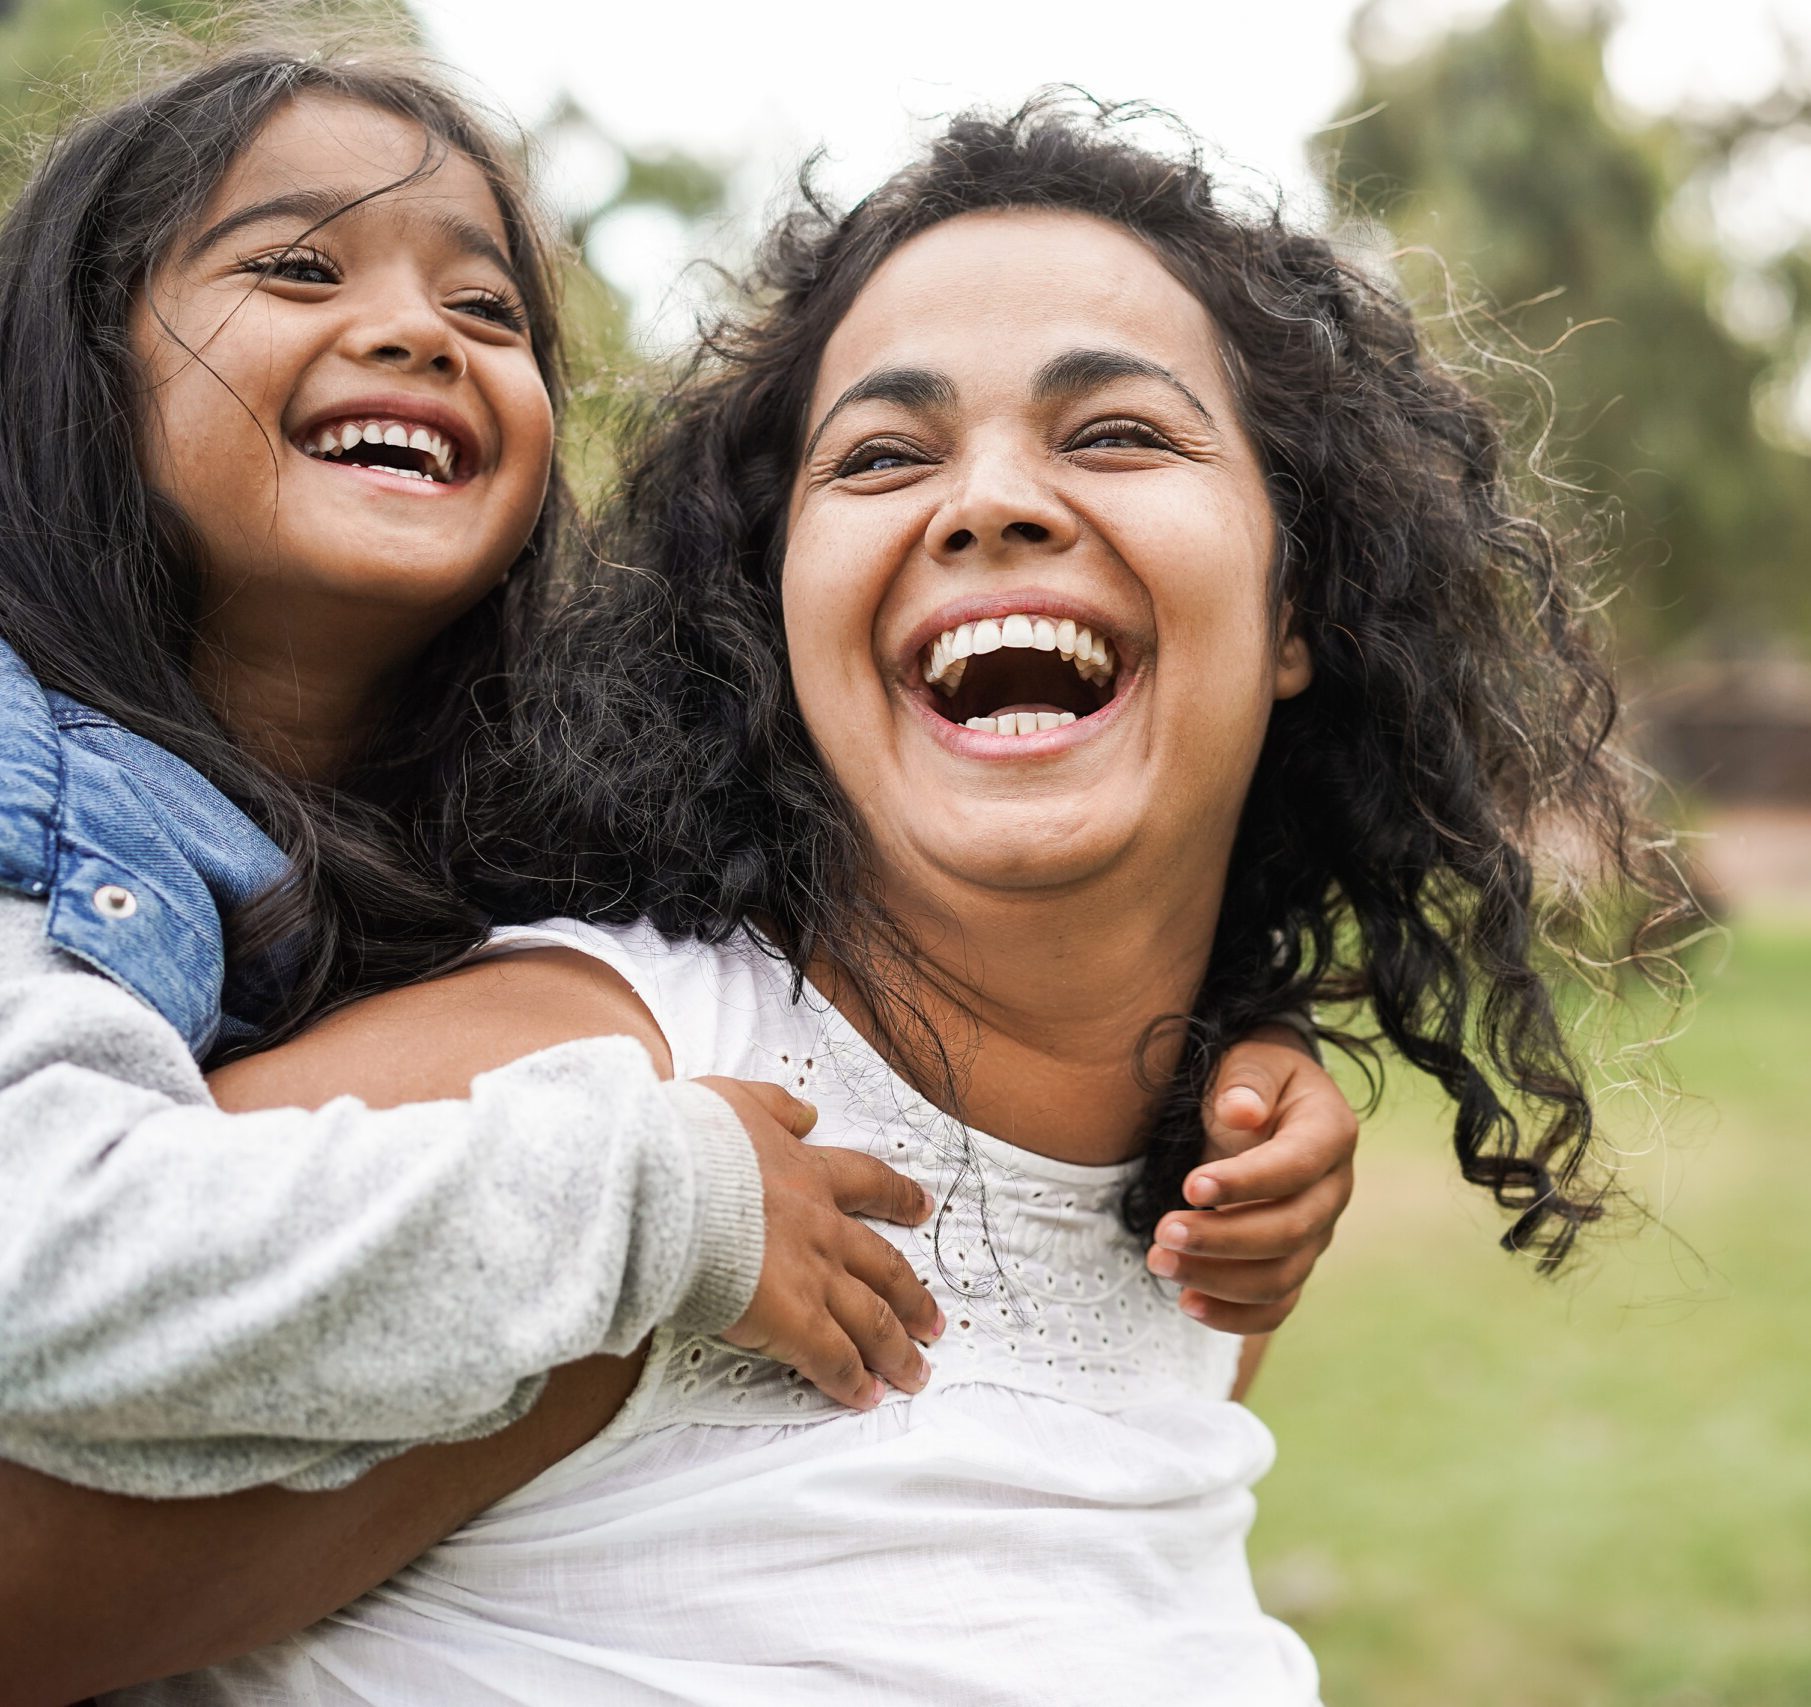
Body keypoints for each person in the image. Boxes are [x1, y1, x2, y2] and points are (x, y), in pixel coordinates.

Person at [90, 94, 1685, 1705]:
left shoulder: (1205, 1200)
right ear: (774, 616)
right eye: (884, 455)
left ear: (1298, 605)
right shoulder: (585, 1115)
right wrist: (628, 1257)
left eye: (1117, 432)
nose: (988, 501)